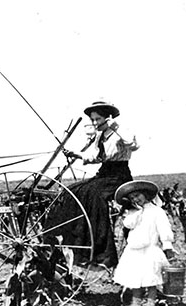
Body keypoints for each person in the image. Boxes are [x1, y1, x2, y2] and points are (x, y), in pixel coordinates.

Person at [50, 101, 140, 268]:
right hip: (104, 174)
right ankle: (78, 246)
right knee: (73, 191)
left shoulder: (120, 132)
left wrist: (115, 128)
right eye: (92, 120)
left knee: (94, 195)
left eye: (97, 119)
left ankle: (102, 253)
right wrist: (76, 154)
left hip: (118, 176)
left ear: (108, 118)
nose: (94, 123)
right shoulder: (100, 136)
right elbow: (95, 156)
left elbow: (133, 145)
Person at [112, 180, 175, 306]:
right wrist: (136, 212)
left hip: (150, 249)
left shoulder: (157, 212)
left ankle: (150, 305)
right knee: (135, 279)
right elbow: (128, 225)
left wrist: (167, 246)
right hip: (134, 250)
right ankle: (136, 305)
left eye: (137, 195)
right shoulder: (133, 212)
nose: (136, 199)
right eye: (132, 198)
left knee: (150, 279)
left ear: (145, 194)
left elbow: (164, 229)